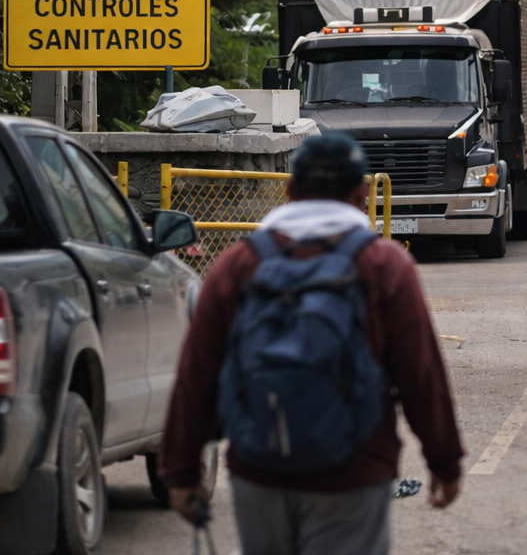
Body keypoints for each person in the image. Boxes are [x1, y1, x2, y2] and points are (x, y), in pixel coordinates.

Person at [160, 133, 464, 555]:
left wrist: (180, 470)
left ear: (289, 190)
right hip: (355, 470)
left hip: (258, 468)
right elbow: (421, 374)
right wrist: (444, 462)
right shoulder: (384, 265)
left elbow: (198, 373)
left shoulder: (239, 264)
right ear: (361, 194)